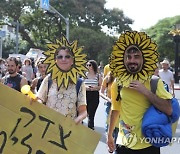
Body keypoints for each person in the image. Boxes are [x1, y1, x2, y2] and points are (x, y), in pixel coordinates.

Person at [107, 31, 173, 154]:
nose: (132, 60)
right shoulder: (118, 82)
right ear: (124, 59)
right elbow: (115, 110)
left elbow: (169, 109)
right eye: (129, 57)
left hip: (148, 144)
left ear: (144, 59)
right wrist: (109, 134)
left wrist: (145, 91)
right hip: (124, 142)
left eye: (136, 56)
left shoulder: (154, 82)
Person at [36, 46, 87, 124]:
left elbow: (83, 111)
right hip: (48, 128)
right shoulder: (49, 79)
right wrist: (37, 102)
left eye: (67, 56)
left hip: (68, 131)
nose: (63, 59)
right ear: (55, 60)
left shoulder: (79, 83)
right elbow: (39, 99)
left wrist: (79, 119)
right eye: (60, 57)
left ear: (72, 60)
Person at [100, 71, 119, 143]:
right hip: (109, 104)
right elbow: (101, 92)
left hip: (120, 105)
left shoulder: (123, 77)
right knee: (109, 124)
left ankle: (116, 144)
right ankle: (110, 140)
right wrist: (108, 99)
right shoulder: (107, 78)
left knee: (119, 126)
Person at [84, 60, 102, 129]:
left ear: (93, 66)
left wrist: (95, 88)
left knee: (91, 113)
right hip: (85, 94)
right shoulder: (84, 75)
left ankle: (90, 127)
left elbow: (101, 86)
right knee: (84, 111)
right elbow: (81, 84)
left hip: (94, 95)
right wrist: (86, 87)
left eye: (89, 65)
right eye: (87, 65)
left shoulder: (98, 76)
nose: (88, 66)